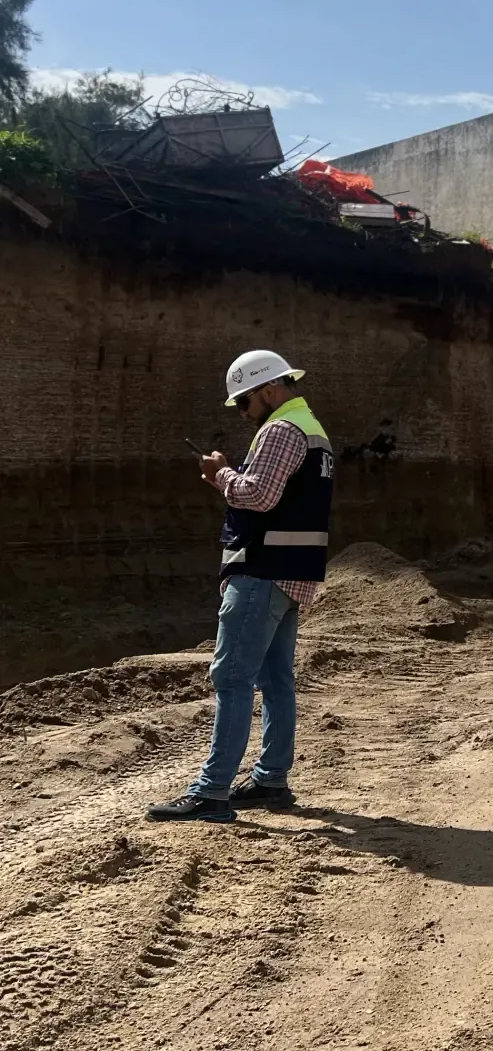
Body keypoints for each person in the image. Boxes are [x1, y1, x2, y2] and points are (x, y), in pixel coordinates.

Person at [148, 350, 333, 823]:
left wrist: (221, 475)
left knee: (232, 678)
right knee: (275, 681)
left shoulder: (281, 429)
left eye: (245, 402)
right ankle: (270, 780)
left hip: (262, 572)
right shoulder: (312, 429)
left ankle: (212, 792)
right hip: (291, 573)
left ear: (268, 389)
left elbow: (259, 495)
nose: (243, 413)